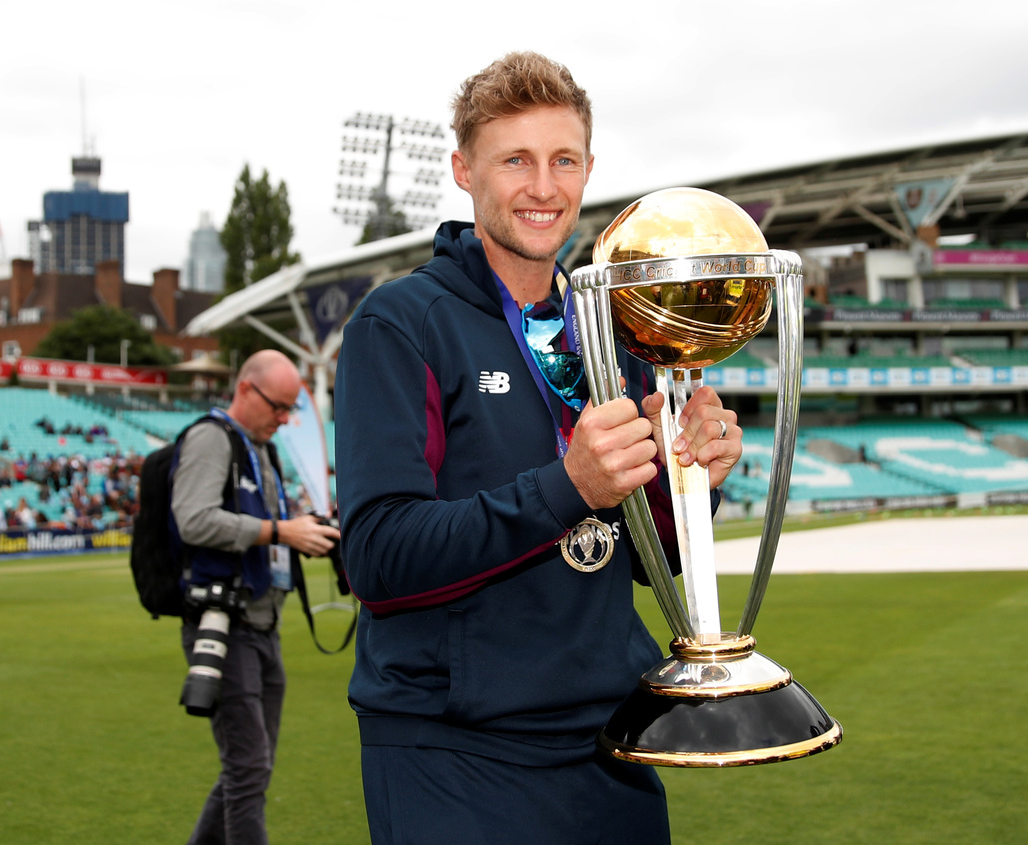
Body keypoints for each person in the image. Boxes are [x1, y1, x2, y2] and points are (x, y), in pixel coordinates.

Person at [335, 52, 744, 845]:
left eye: (564, 160)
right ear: (464, 170)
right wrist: (569, 484)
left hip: (610, 738)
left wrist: (688, 483)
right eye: (515, 160)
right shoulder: (400, 324)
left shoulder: (609, 332)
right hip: (453, 752)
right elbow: (379, 557)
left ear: (589, 168)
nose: (544, 187)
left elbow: (641, 554)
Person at [170, 348, 340, 845]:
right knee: (247, 770)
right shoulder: (212, 437)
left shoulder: (259, 447)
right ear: (246, 389)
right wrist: (280, 531)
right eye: (278, 407)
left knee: (249, 769)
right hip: (224, 624)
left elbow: (267, 528)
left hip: (262, 624)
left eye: (290, 409)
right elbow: (193, 519)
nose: (285, 419)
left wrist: (303, 532)